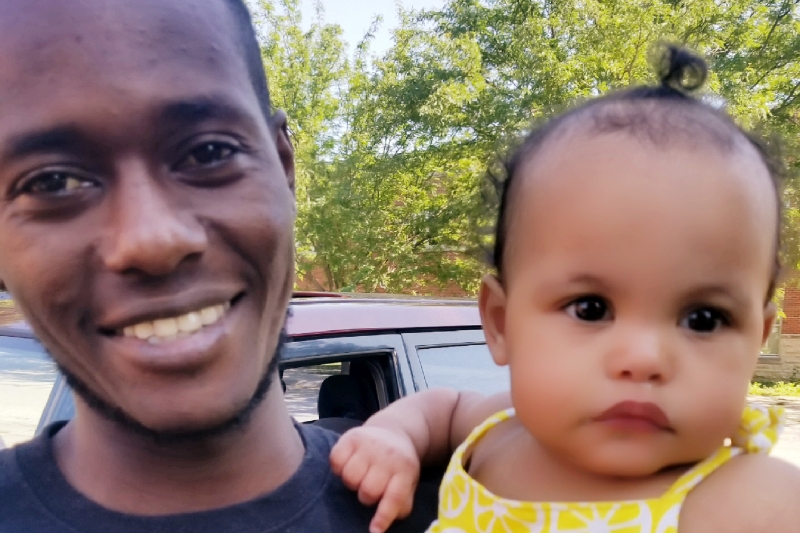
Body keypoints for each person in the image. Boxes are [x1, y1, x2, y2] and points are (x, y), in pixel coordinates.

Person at [0, 0, 436, 531]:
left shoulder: (480, 508)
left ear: (284, 168)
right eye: (52, 183)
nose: (153, 242)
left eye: (209, 152)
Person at [330, 47, 800, 533]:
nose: (643, 359)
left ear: (756, 338)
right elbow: (442, 409)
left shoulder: (755, 502)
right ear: (501, 324)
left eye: (704, 319)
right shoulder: (501, 430)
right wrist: (393, 435)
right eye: (591, 309)